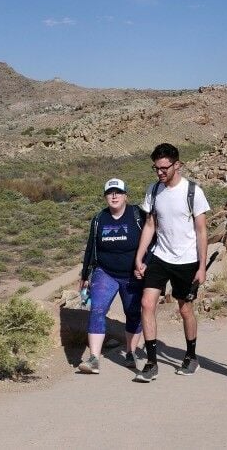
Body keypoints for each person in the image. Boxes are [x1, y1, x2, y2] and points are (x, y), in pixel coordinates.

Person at [133, 143, 210, 382]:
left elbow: (201, 231)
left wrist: (201, 266)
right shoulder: (154, 191)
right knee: (147, 303)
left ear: (177, 165)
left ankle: (191, 356)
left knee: (185, 308)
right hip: (160, 256)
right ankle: (152, 362)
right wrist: (140, 256)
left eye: (164, 168)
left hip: (187, 260)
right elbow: (150, 225)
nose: (160, 173)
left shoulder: (193, 192)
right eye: (156, 168)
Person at [78, 178, 145, 374]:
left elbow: (152, 241)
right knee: (97, 309)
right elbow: (91, 247)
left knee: (133, 313)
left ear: (126, 196)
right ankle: (93, 358)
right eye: (110, 193)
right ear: (106, 196)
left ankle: (131, 352)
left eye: (118, 192)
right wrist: (84, 275)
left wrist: (146, 265)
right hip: (105, 272)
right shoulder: (100, 219)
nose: (114, 196)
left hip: (133, 274)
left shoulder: (138, 215)